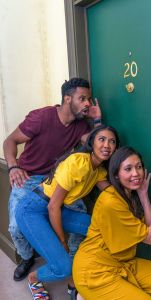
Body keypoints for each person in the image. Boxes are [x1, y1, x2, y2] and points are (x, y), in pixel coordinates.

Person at [3, 77, 102, 281]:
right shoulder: (41, 117)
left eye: (89, 99)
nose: (87, 103)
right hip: (27, 177)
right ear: (67, 99)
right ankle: (27, 258)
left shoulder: (82, 127)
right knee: (15, 226)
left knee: (80, 210)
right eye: (82, 98)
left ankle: (75, 260)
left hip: (56, 180)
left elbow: (97, 145)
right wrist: (12, 166)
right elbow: (10, 140)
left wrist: (97, 119)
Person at [73, 146, 151, 300]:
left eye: (139, 167)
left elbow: (150, 228)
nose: (135, 173)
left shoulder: (129, 196)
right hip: (94, 270)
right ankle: (85, 294)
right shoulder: (110, 201)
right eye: (128, 169)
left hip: (120, 264)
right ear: (116, 175)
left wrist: (143, 196)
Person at [15, 125, 120, 300]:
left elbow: (111, 193)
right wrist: (62, 241)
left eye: (112, 141)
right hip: (32, 210)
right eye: (102, 139)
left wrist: (136, 194)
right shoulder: (78, 163)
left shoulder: (98, 170)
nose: (107, 145)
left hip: (56, 209)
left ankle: (81, 273)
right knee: (63, 266)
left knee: (98, 227)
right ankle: (34, 278)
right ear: (91, 142)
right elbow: (52, 207)